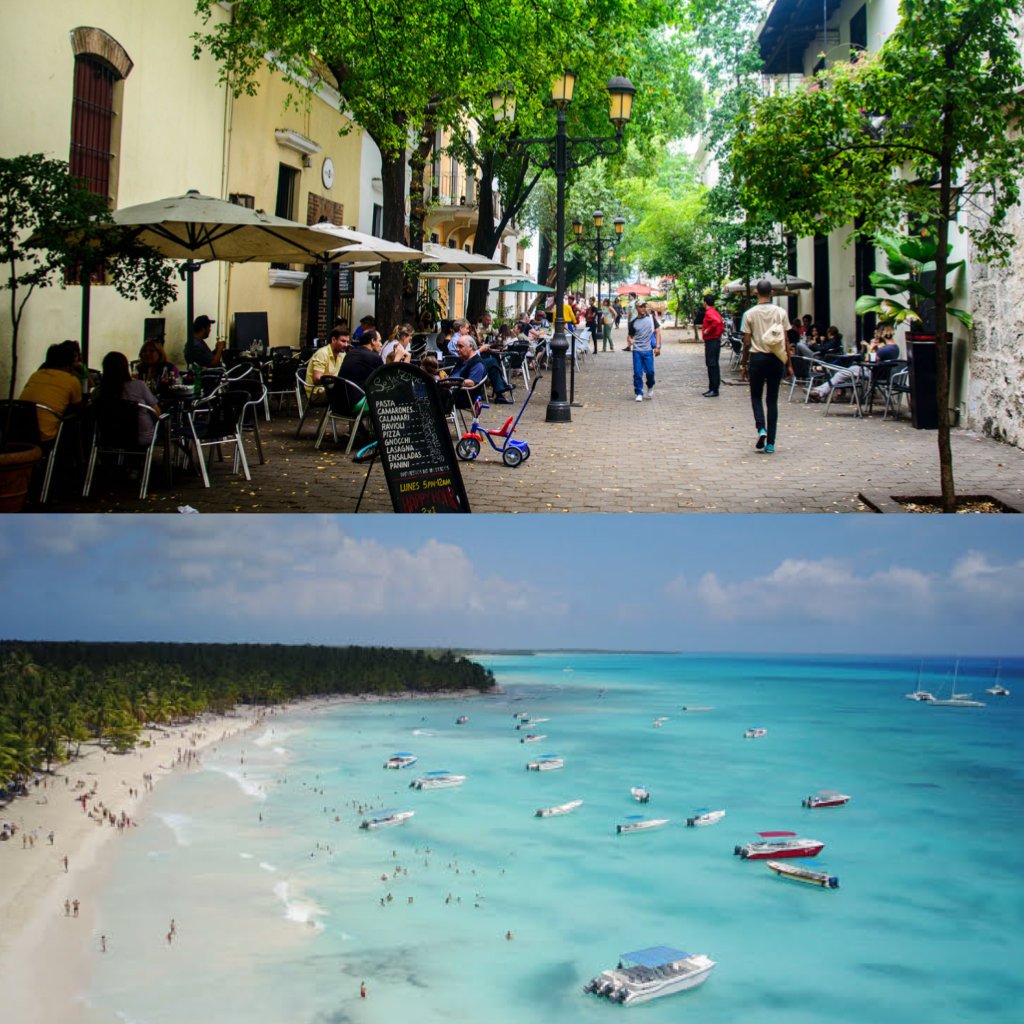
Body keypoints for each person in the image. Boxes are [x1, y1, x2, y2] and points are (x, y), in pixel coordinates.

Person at [739, 279, 793, 453]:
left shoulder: (749, 314)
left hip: (757, 358)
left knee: (756, 396)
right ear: (771, 293)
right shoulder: (780, 312)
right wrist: (789, 364)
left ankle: (761, 428)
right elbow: (785, 340)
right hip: (776, 359)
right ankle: (771, 443)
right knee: (772, 400)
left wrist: (743, 364)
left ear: (756, 292)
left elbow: (746, 342)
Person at [18, 341, 84, 442]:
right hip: (45, 436)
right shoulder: (71, 380)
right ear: (69, 363)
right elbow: (78, 409)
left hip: (18, 432)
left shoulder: (36, 375)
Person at [810, 329, 899, 401]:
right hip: (882, 373)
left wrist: (870, 347)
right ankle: (820, 390)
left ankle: (820, 391)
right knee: (845, 371)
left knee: (843, 372)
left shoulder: (884, 349)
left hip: (873, 373)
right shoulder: (895, 348)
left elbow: (868, 360)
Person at [96, 351, 161, 446]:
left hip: (109, 437)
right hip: (142, 437)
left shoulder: (99, 391)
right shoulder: (139, 386)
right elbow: (157, 412)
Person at [304, 326, 350, 405]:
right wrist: (337, 383)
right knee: (349, 395)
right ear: (333, 340)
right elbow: (317, 379)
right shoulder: (322, 353)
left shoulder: (342, 354)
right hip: (316, 393)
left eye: (347, 342)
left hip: (331, 389)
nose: (346, 345)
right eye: (343, 341)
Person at [629, 301, 660, 401]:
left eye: (644, 306)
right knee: (637, 373)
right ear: (636, 308)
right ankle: (639, 392)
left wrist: (658, 346)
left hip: (648, 350)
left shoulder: (651, 319)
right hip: (637, 350)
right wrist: (630, 340)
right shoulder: (633, 322)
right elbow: (630, 336)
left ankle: (650, 386)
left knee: (650, 372)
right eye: (640, 307)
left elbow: (658, 331)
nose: (643, 308)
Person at [700, 294, 725, 397]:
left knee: (712, 364)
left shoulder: (710, 312)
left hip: (712, 340)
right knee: (713, 364)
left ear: (705, 302)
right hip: (714, 340)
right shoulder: (714, 312)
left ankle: (714, 389)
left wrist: (707, 330)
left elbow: (717, 321)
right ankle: (713, 387)